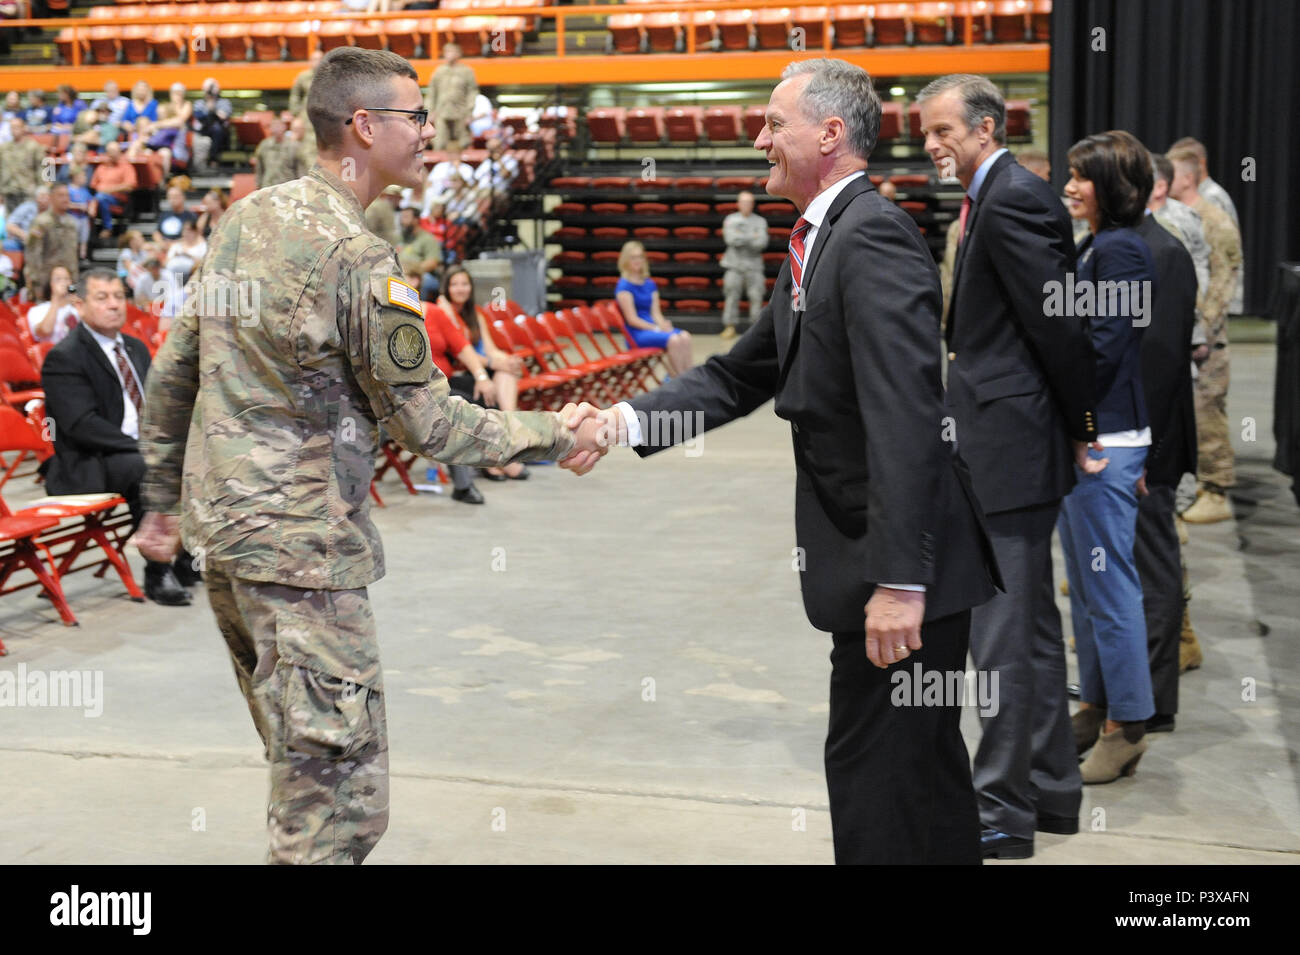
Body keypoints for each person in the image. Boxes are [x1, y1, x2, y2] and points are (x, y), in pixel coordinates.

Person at [133, 46, 604, 865]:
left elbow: (173, 372)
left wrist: (163, 506)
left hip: (230, 547)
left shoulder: (245, 218)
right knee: (337, 809)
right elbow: (428, 423)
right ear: (364, 126)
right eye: (416, 117)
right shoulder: (357, 256)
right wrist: (557, 430)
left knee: (300, 771)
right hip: (303, 556)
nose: (429, 133)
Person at [565, 58, 1000, 865]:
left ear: (830, 135)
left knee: (881, 783)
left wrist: (901, 581)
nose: (760, 138)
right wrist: (620, 420)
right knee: (918, 778)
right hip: (879, 569)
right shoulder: (822, 239)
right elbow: (740, 373)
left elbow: (909, 420)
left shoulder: (869, 237)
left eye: (775, 123)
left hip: (901, 576)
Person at [918, 73, 1100, 859]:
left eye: (943, 130)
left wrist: (1083, 423)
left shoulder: (1016, 198)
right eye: (925, 132)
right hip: (1009, 437)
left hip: (1009, 443)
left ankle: (1002, 808)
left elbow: (1059, 323)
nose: (932, 144)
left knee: (999, 638)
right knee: (1028, 630)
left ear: (986, 129)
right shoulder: (993, 197)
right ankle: (1053, 791)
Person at [1059, 129, 1157, 784]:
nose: (1069, 185)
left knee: (1110, 586)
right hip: (1096, 433)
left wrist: (1081, 427)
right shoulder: (1101, 244)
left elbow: (1104, 348)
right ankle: (1095, 704)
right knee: (1091, 587)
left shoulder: (1120, 250)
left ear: (1113, 188)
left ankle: (1128, 725)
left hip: (1104, 438)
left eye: (1082, 176)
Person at [40, 268, 195, 606]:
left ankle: (186, 554)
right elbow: (82, 425)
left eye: (118, 297)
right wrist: (150, 449)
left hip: (132, 452)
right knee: (148, 467)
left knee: (196, 455)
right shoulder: (64, 357)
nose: (114, 305)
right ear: (79, 306)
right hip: (87, 462)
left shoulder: (136, 349)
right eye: (102, 298)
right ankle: (158, 570)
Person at [1134, 153, 1199, 736]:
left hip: (1148, 451)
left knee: (1153, 573)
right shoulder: (1123, 246)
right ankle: (1129, 694)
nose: (1072, 187)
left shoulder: (1164, 252)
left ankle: (1153, 701)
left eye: (1083, 177)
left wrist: (1140, 456)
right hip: (1128, 447)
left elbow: (1158, 365)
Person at [1167, 145, 1242, 526]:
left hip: (1208, 340)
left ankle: (1217, 490)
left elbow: (1223, 282)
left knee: (1208, 410)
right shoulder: (1185, 216)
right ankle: (1202, 482)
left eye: (1172, 174)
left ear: (1188, 177)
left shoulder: (1214, 219)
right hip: (1191, 334)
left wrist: (1201, 331)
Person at [436, 265, 528, 480]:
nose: (460, 289)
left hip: (479, 368)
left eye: (465, 284)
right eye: (455, 284)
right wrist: (495, 365)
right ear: (446, 288)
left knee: (507, 373)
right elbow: (462, 352)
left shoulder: (474, 313)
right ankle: (503, 453)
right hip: (458, 373)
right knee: (491, 389)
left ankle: (507, 445)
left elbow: (490, 349)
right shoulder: (443, 310)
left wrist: (508, 361)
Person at [417, 283, 499, 503]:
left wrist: (482, 377)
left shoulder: (433, 313)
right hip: (411, 389)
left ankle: (494, 460)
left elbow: (461, 345)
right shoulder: (382, 315)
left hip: (443, 380)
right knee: (456, 405)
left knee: (485, 391)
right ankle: (466, 482)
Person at [1169, 136, 1243, 315]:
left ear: (1199, 163)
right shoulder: (1190, 200)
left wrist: (1210, 313)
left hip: (1211, 300)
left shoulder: (1212, 198)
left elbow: (1220, 258)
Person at [614, 240, 694, 376]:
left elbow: (656, 313)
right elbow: (632, 320)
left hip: (653, 328)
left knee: (685, 336)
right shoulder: (624, 286)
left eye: (640, 257)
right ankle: (681, 380)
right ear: (626, 260)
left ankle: (690, 377)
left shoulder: (650, 284)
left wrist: (663, 324)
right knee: (674, 339)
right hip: (637, 333)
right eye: (633, 257)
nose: (637, 261)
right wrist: (657, 328)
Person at [719, 190, 768, 340]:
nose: (746, 205)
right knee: (731, 296)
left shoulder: (760, 221)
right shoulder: (730, 219)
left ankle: (755, 328)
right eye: (744, 202)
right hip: (734, 266)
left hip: (754, 267)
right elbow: (731, 239)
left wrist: (741, 236)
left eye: (749, 202)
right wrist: (751, 236)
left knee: (756, 297)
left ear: (753, 204)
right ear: (738, 204)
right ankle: (730, 326)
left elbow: (762, 243)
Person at [24, 182, 80, 294]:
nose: (65, 199)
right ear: (51, 198)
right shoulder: (41, 222)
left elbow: (73, 253)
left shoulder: (71, 222)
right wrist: (34, 280)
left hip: (69, 279)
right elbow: (33, 253)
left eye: (67, 195)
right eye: (60, 195)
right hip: (46, 281)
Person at [425, 42, 477, 151]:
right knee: (439, 142)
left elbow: (472, 93)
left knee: (463, 142)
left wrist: (469, 113)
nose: (448, 54)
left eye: (451, 51)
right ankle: (440, 166)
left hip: (461, 112)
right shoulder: (439, 71)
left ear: (458, 54)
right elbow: (432, 93)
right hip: (442, 112)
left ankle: (461, 166)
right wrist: (430, 111)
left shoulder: (466, 71)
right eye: (446, 52)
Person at [90, 141, 138, 240]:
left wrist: (109, 190)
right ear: (106, 153)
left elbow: (130, 186)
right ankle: (90, 237)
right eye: (110, 151)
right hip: (99, 197)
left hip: (118, 199)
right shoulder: (101, 167)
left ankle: (108, 228)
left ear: (120, 152)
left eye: (115, 151)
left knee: (100, 197)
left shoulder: (126, 167)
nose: (113, 154)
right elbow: (93, 185)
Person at [396, 201, 442, 299]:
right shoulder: (401, 238)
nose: (402, 221)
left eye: (406, 217)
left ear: (416, 219)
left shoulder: (427, 238)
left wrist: (411, 272)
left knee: (424, 281)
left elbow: (432, 262)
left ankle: (417, 309)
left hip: (419, 274)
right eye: (401, 217)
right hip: (399, 272)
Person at [0, 116, 46, 211]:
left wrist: (43, 190)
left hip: (28, 193)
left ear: (24, 128)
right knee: (9, 223)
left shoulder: (34, 146)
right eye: (12, 127)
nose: (14, 130)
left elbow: (46, 168)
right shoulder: (4, 148)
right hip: (8, 192)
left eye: (17, 127)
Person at [26, 265, 80, 344]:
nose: (63, 282)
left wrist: (78, 303)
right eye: (58, 279)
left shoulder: (78, 307)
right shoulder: (37, 311)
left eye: (67, 279)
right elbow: (45, 331)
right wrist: (56, 297)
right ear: (50, 284)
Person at [252, 118, 306, 190]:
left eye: (278, 125)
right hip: (267, 188)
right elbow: (259, 169)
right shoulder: (264, 145)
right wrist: (258, 186)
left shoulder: (294, 146)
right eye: (273, 126)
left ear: (284, 127)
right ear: (270, 128)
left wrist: (300, 188)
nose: (276, 128)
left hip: (287, 189)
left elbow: (300, 170)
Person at [288, 48, 323, 118]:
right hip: (306, 115)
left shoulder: (331, 76)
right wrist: (296, 114)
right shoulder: (303, 77)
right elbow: (295, 96)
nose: (318, 62)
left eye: (321, 59)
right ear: (310, 61)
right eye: (315, 59)